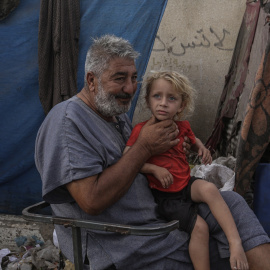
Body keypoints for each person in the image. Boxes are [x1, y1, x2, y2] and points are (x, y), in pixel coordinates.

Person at [35, 34, 270, 270]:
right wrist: (146, 146)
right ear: (92, 80)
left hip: (162, 212)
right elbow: (91, 201)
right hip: (136, 243)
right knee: (229, 251)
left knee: (233, 203)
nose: (130, 88)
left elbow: (139, 157)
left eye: (134, 78)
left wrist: (172, 147)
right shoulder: (68, 123)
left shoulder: (114, 115)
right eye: (120, 78)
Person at [124, 71, 248, 270]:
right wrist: (153, 168)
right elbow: (127, 158)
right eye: (157, 96)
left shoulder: (182, 126)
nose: (163, 103)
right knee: (200, 228)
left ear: (181, 105)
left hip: (184, 184)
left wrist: (201, 147)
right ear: (148, 101)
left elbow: (192, 139)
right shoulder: (142, 130)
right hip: (165, 196)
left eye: (171, 98)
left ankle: (235, 243)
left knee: (209, 189)